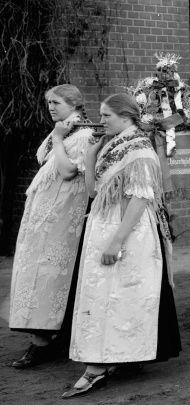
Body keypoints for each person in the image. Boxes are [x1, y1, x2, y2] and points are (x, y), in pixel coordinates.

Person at [65, 94, 181, 398]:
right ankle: (106, 360)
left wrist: (116, 241)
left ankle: (101, 365)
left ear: (126, 116)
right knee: (100, 293)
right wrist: (90, 158)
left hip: (128, 229)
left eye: (107, 116)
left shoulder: (139, 150)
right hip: (101, 223)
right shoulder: (109, 146)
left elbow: (141, 199)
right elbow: (93, 191)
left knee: (122, 295)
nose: (101, 121)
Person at [9, 85, 94, 369]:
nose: (50, 108)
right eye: (48, 103)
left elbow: (69, 171)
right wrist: (57, 135)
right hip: (44, 217)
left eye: (56, 102)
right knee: (35, 272)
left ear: (74, 104)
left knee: (49, 276)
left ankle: (43, 343)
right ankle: (43, 339)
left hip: (62, 219)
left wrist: (58, 138)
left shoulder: (83, 135)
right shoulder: (61, 131)